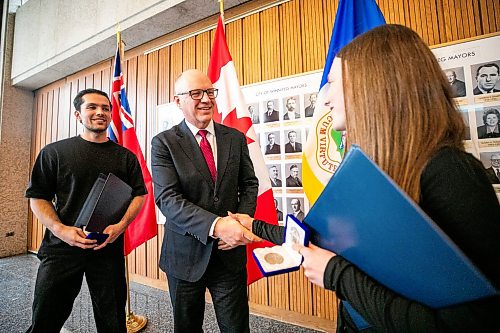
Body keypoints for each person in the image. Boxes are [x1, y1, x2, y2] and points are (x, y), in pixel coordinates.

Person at [231, 25, 500, 332]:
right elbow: (317, 238)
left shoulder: (452, 174)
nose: (327, 99)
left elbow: (478, 321)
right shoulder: (371, 168)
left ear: (373, 85)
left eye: (332, 84)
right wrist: (254, 226)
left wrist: (336, 274)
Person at [24, 88, 147, 333]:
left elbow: (139, 195)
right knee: (46, 318)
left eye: (105, 108)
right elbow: (37, 197)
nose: (100, 112)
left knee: (112, 321)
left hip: (107, 249)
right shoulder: (54, 152)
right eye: (92, 107)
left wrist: (121, 226)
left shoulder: (126, 157)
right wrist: (61, 230)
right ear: (78, 115)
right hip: (61, 249)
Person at [151, 69, 260, 333]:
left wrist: (239, 226)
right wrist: (218, 226)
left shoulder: (234, 138)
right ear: (178, 101)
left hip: (229, 254)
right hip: (184, 256)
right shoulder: (164, 143)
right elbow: (167, 198)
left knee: (236, 328)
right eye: (196, 93)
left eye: (210, 92)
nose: (205, 99)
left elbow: (249, 184)